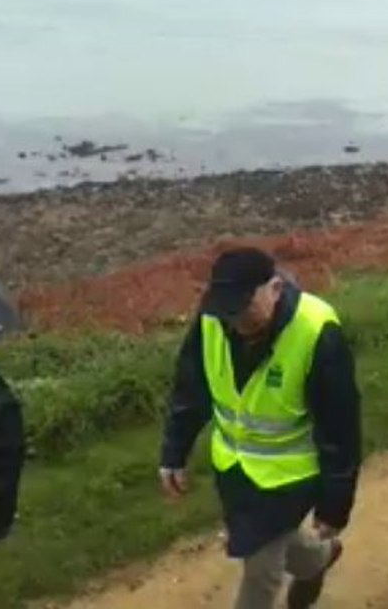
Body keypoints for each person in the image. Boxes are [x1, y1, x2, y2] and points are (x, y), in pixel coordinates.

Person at [159, 248, 361, 609]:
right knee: (278, 545)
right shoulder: (214, 318)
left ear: (275, 288)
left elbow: (341, 427)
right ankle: (319, 558)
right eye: (229, 312)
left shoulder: (316, 330)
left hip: (291, 479)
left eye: (245, 308)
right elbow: (191, 389)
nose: (237, 322)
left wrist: (335, 504)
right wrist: (174, 452)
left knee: (260, 567)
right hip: (234, 470)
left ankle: (312, 560)